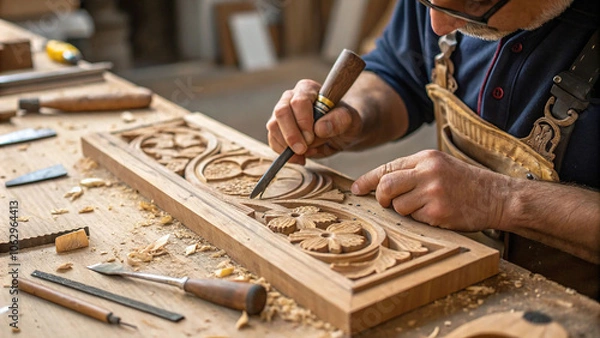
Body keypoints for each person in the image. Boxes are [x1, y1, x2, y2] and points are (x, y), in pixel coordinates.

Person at [265, 0, 599, 299]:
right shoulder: (441, 9)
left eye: (473, 2)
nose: (436, 24)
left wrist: (499, 200)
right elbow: (401, 73)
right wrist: (355, 115)